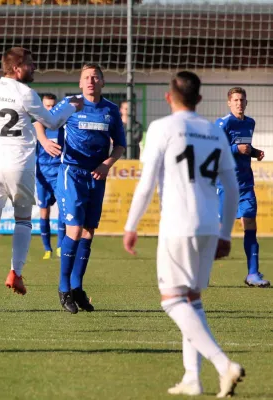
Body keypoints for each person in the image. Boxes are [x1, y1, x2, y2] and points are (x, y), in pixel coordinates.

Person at [123, 71, 245, 398]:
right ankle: (192, 378)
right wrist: (225, 234)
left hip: (177, 225)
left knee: (172, 300)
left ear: (168, 97)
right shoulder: (213, 131)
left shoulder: (162, 128)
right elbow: (232, 189)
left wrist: (131, 225)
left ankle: (224, 365)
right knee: (191, 299)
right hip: (209, 224)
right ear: (200, 99)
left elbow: (147, 182)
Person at [0, 47, 83, 307]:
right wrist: (71, 107)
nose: (34, 68)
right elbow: (53, 122)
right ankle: (15, 272)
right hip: (19, 164)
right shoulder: (26, 94)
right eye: (31, 64)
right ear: (18, 68)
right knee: (22, 221)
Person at [42, 63, 126, 314]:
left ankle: (77, 288)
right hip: (72, 173)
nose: (90, 81)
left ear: (102, 82)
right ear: (80, 83)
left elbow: (120, 145)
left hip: (96, 176)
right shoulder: (71, 104)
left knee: (89, 232)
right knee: (75, 230)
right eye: (85, 77)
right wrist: (44, 140)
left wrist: (106, 164)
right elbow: (40, 120)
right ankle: (63, 288)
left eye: (95, 77)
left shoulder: (110, 110)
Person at [216, 87, 269, 288]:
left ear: (246, 103)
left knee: (250, 227)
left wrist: (255, 152)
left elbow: (245, 149)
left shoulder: (250, 123)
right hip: (225, 185)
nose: (239, 103)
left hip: (246, 185)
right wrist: (235, 148)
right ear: (229, 103)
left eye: (242, 100)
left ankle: (253, 273)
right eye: (235, 100)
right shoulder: (223, 123)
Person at [33, 93, 67, 260]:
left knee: (62, 208)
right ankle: (47, 248)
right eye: (47, 106)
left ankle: (60, 246)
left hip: (59, 171)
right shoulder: (37, 127)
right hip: (43, 173)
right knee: (44, 211)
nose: (50, 109)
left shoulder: (62, 125)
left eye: (53, 106)